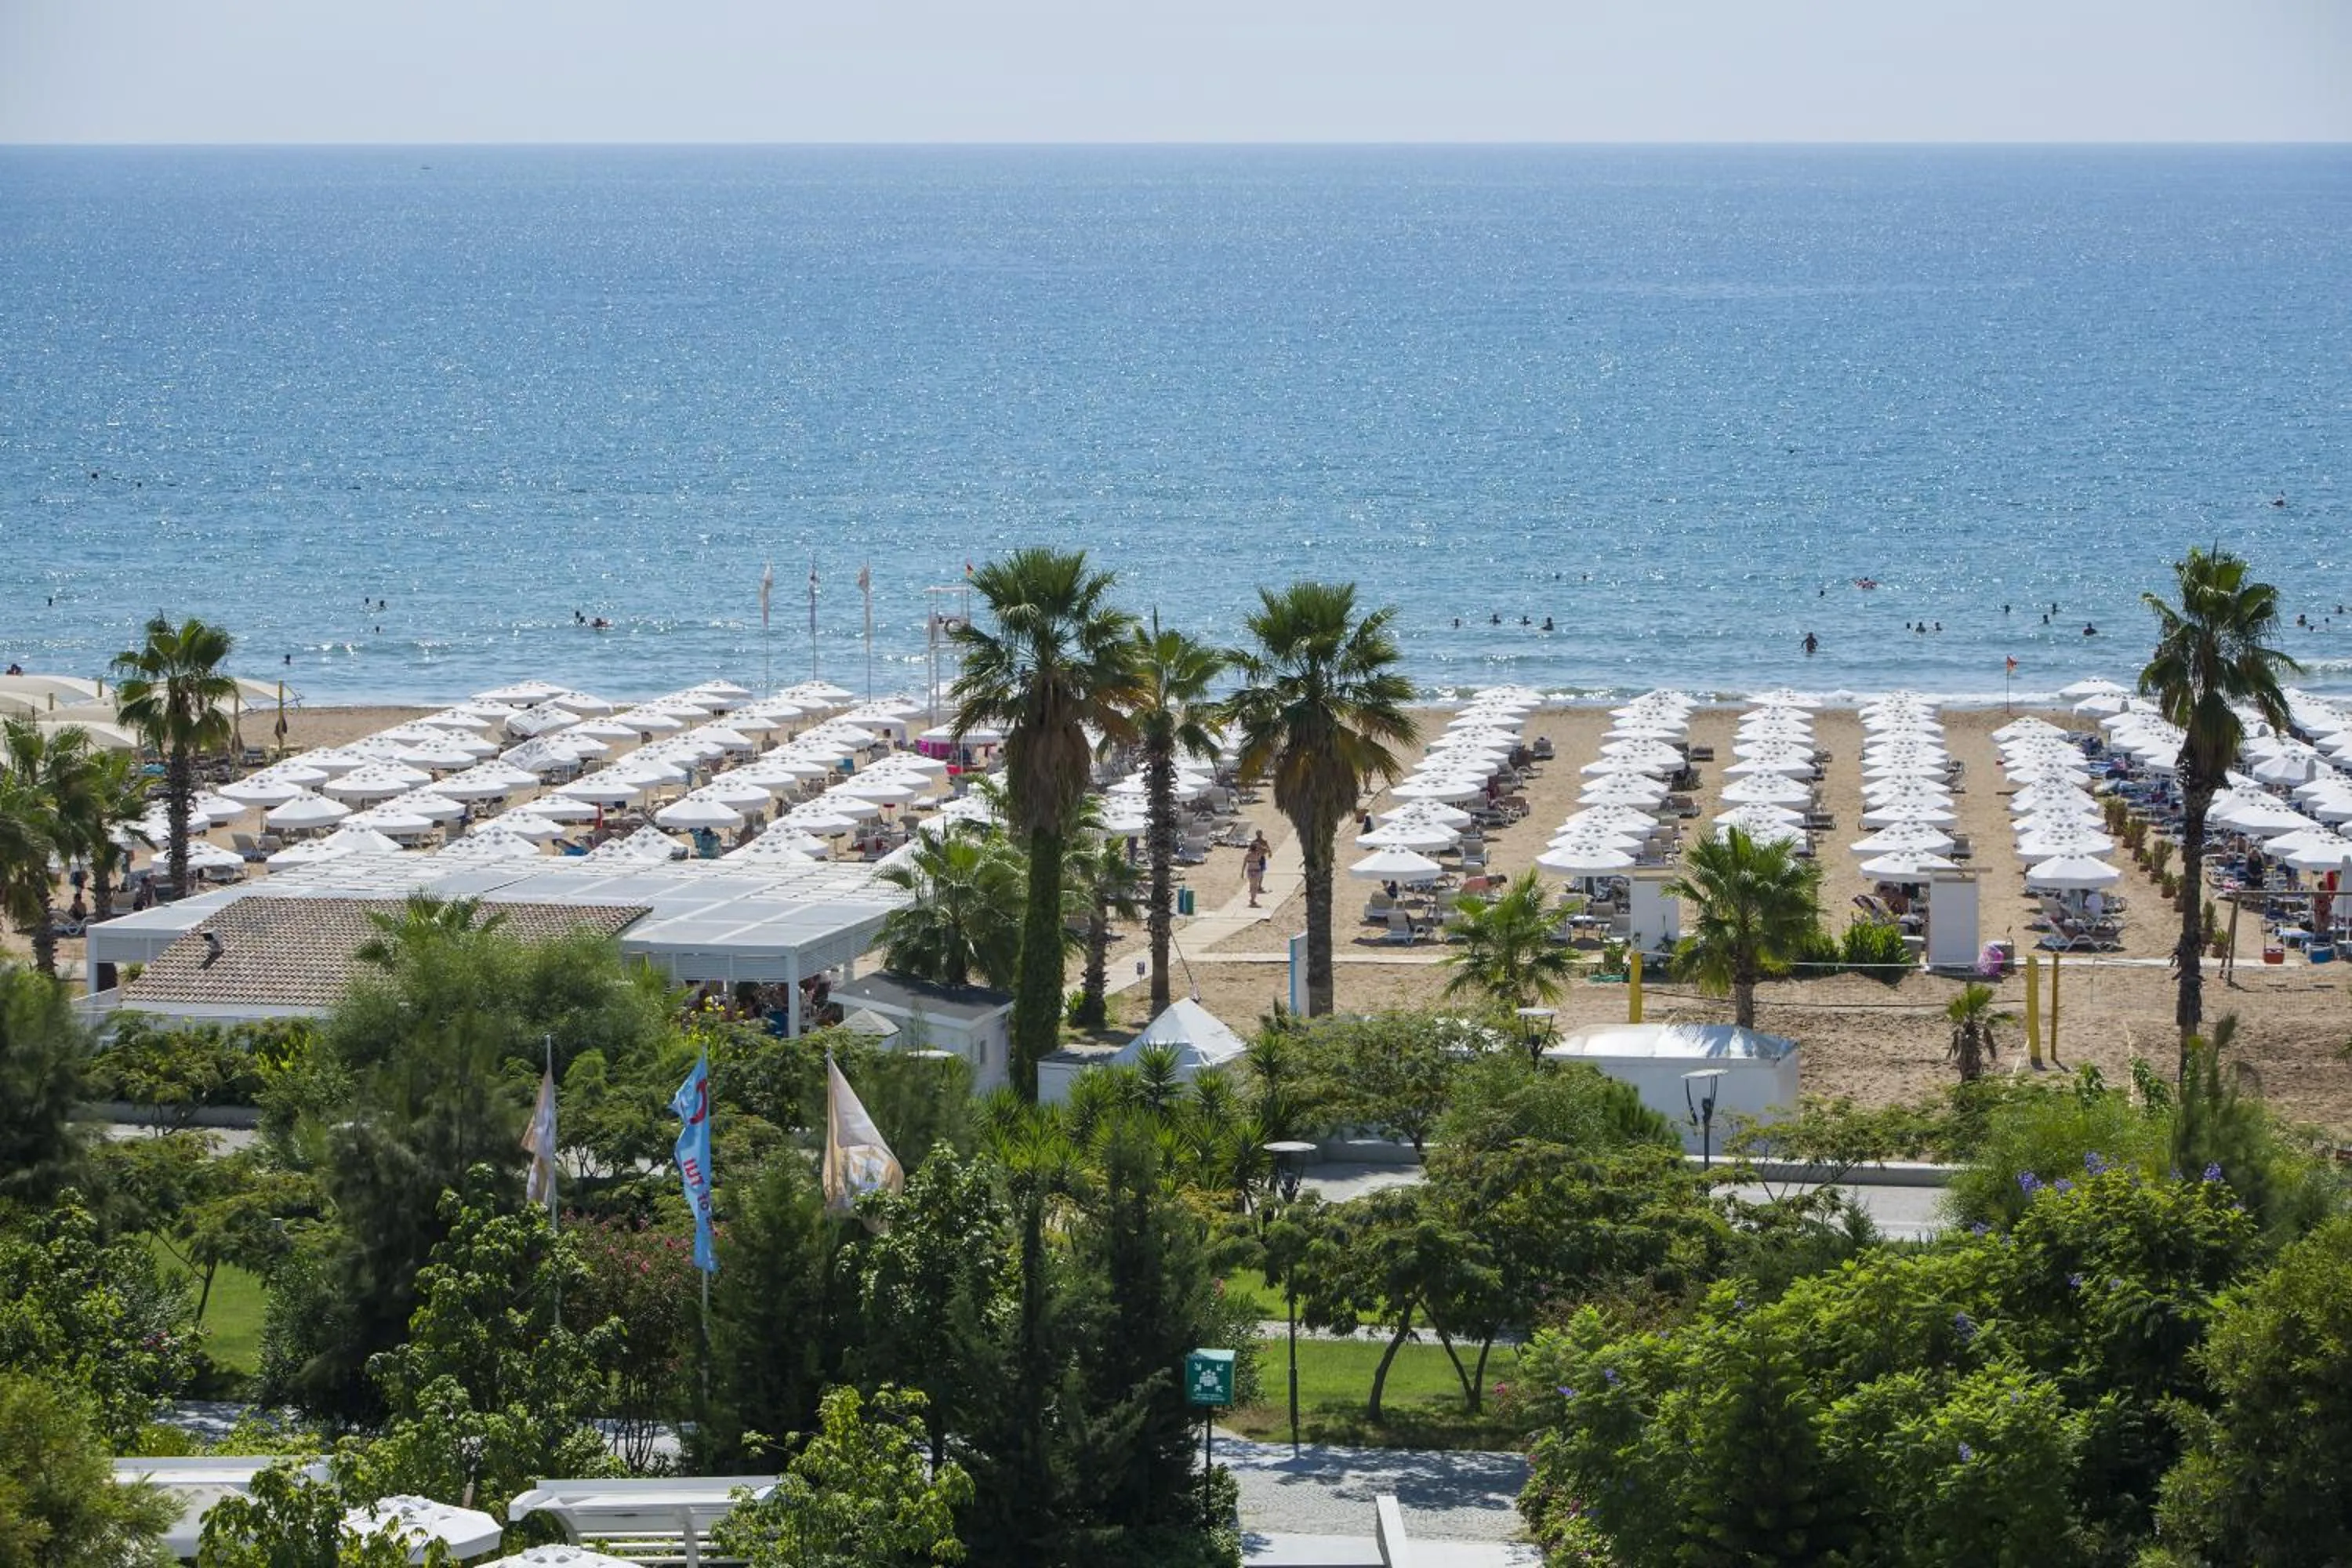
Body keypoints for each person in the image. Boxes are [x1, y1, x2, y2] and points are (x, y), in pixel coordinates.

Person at [1244, 832, 1270, 908]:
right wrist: (1261, 847)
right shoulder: (1258, 853)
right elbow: (1266, 850)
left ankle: (1253, 898)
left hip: (1250, 870)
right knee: (1255, 885)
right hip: (1256, 870)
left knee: (1252, 884)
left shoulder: (1249, 854)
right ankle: (1253, 900)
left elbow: (1244, 864)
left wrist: (1242, 872)